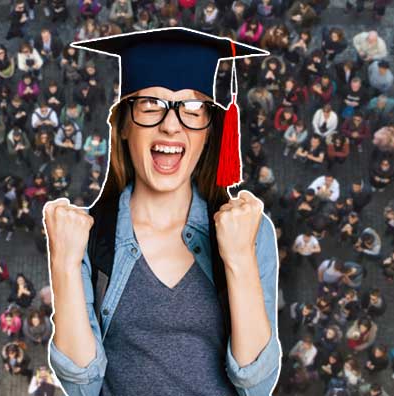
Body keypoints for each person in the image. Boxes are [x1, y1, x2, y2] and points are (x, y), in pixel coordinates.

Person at [45, 29, 280, 395]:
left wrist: (238, 257)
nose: (171, 124)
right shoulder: (90, 237)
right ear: (123, 125)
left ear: (209, 132)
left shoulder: (249, 232)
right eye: (151, 105)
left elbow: (257, 383)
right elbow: (83, 386)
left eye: (192, 108)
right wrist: (62, 262)